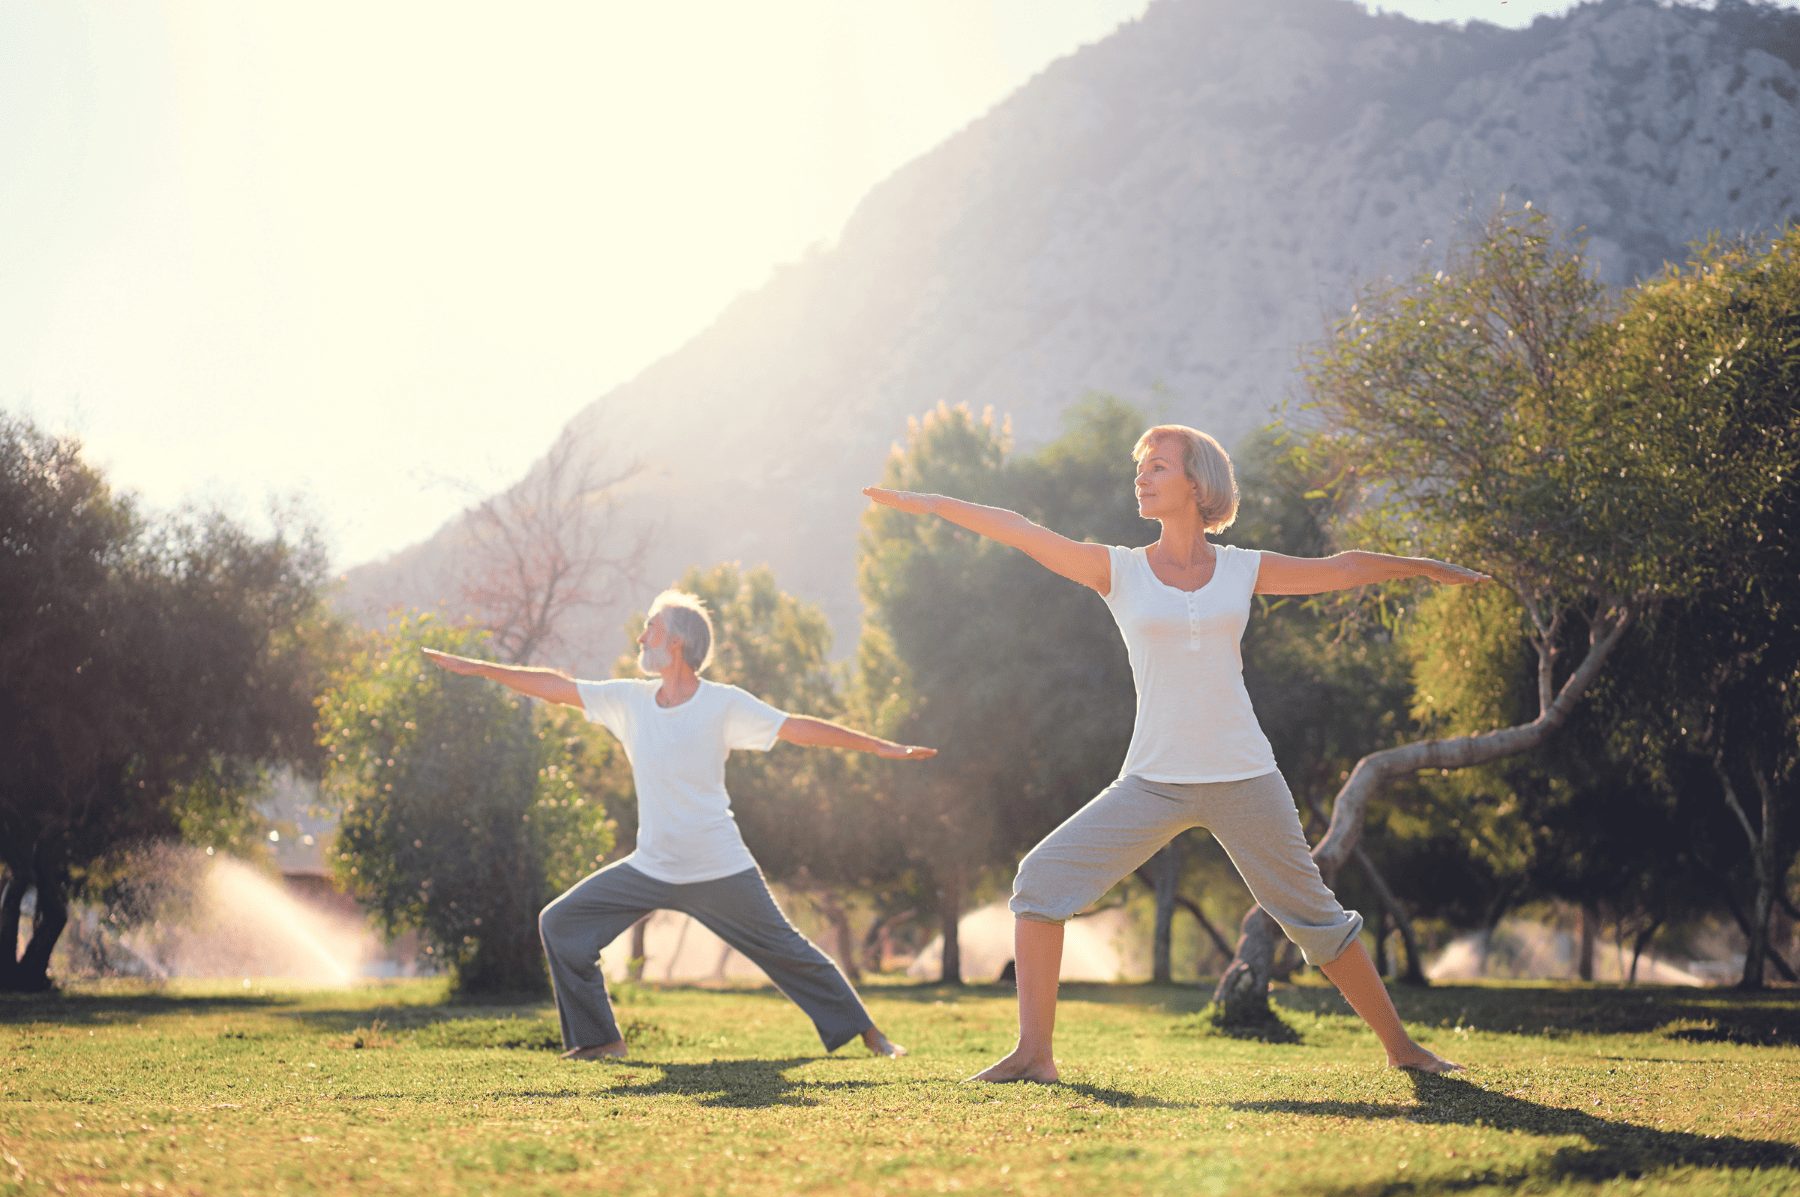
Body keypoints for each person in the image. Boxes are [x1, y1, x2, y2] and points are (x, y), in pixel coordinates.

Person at [864, 424, 1487, 1083]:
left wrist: (1421, 567)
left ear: (1197, 483)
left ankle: (1403, 1049)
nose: (1143, 477)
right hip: (1153, 780)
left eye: (1158, 467)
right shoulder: (1119, 570)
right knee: (1040, 884)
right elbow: (1019, 529)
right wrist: (934, 504)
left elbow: (1345, 569)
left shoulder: (1244, 568)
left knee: (1317, 920)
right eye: (1141, 467)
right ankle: (1034, 1054)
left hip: (1244, 775)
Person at [424, 589, 935, 1061]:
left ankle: (873, 1036)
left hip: (718, 867)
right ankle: (600, 1040)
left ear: (678, 642)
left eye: (651, 627)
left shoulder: (723, 703)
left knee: (787, 950)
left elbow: (797, 729)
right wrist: (480, 670)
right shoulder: (629, 701)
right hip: (652, 866)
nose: (641, 636)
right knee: (561, 924)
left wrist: (879, 746)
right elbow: (557, 688)